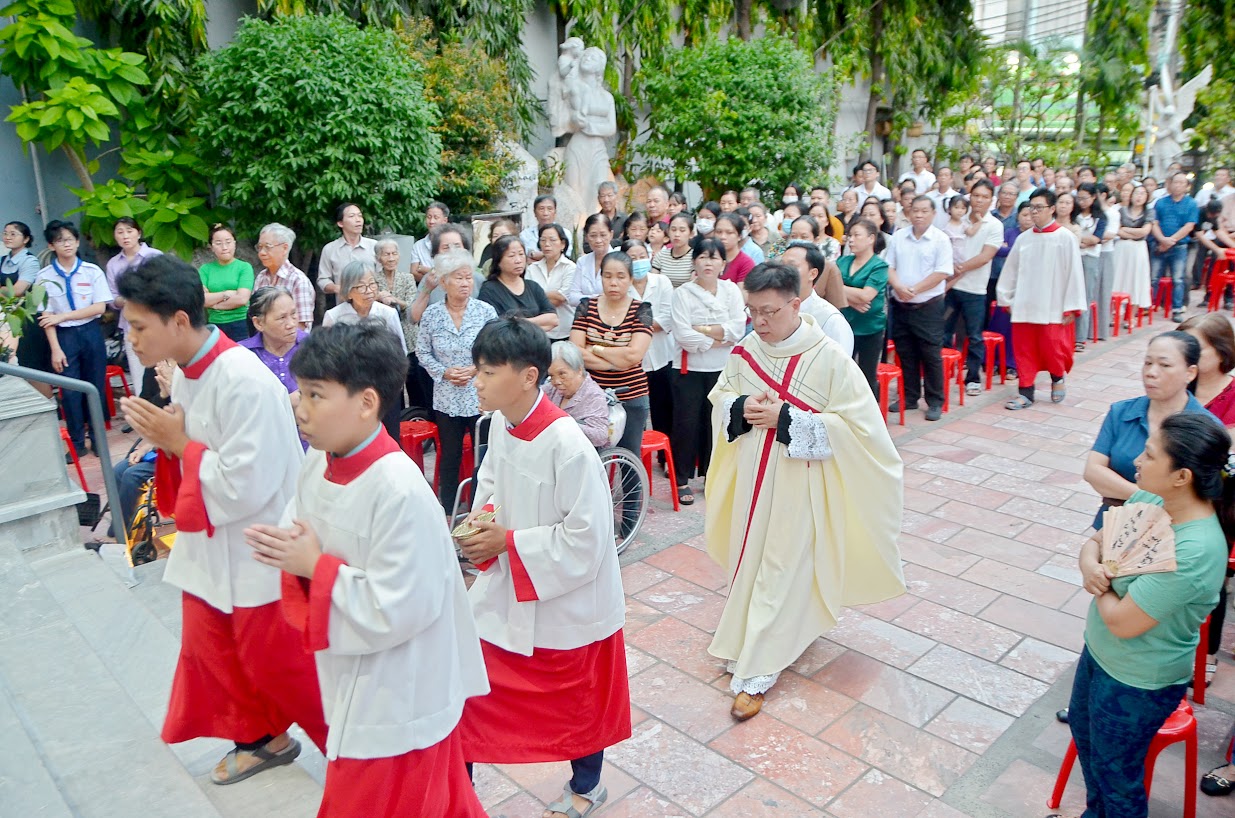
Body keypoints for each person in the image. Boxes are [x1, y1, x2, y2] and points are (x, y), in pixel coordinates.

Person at [246, 321, 489, 818]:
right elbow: (299, 527)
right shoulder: (318, 461)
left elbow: (402, 607)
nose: (300, 408)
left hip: (400, 690)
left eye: (316, 395)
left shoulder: (399, 490)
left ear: (366, 402)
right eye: (300, 393)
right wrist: (288, 550)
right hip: (352, 671)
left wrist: (313, 565)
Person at [116, 254, 326, 783]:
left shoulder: (243, 379)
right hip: (214, 545)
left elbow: (247, 486)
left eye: (139, 326)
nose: (131, 339)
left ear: (177, 321)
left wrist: (177, 443)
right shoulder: (189, 373)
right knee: (215, 650)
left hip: (258, 549)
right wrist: (171, 439)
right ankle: (262, 738)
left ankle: (368, 757)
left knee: (284, 668)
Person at [705, 262, 905, 719]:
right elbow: (720, 397)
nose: (759, 322)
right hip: (752, 477)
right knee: (751, 560)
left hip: (802, 482)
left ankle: (759, 669)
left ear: (796, 304)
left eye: (769, 312)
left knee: (783, 565)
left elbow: (862, 430)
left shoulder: (829, 358)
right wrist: (741, 406)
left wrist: (787, 419)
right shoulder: (745, 351)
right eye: (753, 311)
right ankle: (748, 639)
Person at [455, 317, 631, 818]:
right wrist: (480, 528)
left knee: (578, 707)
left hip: (566, 600)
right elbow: (490, 485)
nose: (477, 382)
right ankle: (459, 799)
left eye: (488, 372)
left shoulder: (568, 445)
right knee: (468, 693)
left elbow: (589, 540)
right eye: (477, 369)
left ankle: (587, 787)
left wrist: (509, 542)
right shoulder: (500, 423)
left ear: (529, 376)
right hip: (510, 586)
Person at [1066, 413, 1229, 816]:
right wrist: (1090, 567)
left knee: (1117, 778)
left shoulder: (1196, 549)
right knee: (1091, 752)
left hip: (1137, 681)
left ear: (1182, 476)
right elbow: (1096, 542)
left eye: (1150, 455)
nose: (1137, 461)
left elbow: (1123, 622)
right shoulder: (1153, 500)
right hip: (1099, 654)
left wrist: (1098, 581)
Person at [416, 250, 499, 514]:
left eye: (468, 277)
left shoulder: (485, 311)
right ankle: (449, 512)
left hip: (481, 395)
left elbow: (497, 349)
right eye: (458, 278)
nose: (465, 283)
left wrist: (476, 369)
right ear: (443, 282)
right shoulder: (432, 315)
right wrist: (444, 372)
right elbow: (422, 352)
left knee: (483, 454)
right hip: (447, 397)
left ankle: (481, 509)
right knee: (450, 455)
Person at [569, 250, 653, 501]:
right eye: (607, 276)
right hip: (591, 396)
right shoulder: (586, 306)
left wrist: (595, 349)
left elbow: (634, 356)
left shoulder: (641, 310)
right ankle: (593, 511)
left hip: (632, 395)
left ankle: (631, 517)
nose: (613, 283)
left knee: (630, 457)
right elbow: (575, 351)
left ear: (630, 279)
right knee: (589, 457)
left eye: (620, 277)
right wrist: (616, 358)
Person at [669, 236, 746, 506]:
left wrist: (702, 330)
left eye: (714, 257)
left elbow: (737, 328)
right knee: (686, 424)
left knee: (716, 424)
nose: (708, 263)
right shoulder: (682, 293)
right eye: (702, 257)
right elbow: (682, 334)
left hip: (722, 369)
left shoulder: (731, 291)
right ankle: (681, 479)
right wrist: (717, 338)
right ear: (694, 262)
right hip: (688, 370)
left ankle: (711, 476)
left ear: (723, 263)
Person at [997, 189, 1087, 410]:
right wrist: (1006, 297)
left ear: (1052, 209)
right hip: (1025, 303)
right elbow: (1011, 270)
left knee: (1052, 347)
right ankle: (1026, 392)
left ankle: (1057, 376)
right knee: (1024, 349)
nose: (1034, 212)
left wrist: (1071, 307)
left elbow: (1074, 273)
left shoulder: (1065, 238)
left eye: (1039, 207)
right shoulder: (1023, 239)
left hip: (1053, 304)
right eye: (1032, 207)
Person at [37, 220, 113, 456]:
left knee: (95, 386)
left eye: (70, 239)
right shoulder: (44, 277)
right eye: (60, 241)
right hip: (64, 336)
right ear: (51, 246)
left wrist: (63, 316)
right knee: (70, 391)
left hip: (90, 332)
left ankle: (98, 440)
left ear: (77, 242)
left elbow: (99, 307)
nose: (66, 244)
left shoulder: (92, 271)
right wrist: (55, 348)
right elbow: (46, 317)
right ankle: (77, 444)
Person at [323, 260, 407, 440]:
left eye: (372, 284)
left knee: (389, 438)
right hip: (351, 390)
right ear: (348, 291)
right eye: (361, 286)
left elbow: (400, 351)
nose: (369, 291)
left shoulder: (387, 313)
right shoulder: (334, 317)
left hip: (385, 386)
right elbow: (327, 357)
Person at [886, 196, 953, 420]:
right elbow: (889, 266)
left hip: (928, 306)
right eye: (915, 210)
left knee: (931, 354)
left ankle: (935, 401)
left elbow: (942, 272)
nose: (919, 215)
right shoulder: (899, 236)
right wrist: (898, 286)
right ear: (909, 212)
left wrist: (914, 289)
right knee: (906, 353)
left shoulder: (941, 239)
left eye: (924, 211)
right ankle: (909, 397)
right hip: (901, 304)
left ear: (933, 214)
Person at [945, 180, 1003, 396]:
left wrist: (958, 269)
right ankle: (943, 374)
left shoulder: (994, 225)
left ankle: (972, 378)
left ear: (991, 200)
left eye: (984, 197)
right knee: (944, 331)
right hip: (951, 288)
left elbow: (985, 256)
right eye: (976, 195)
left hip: (975, 290)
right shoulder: (957, 218)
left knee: (974, 335)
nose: (979, 200)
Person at [625, 239, 675, 444]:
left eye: (642, 256)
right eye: (632, 258)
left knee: (664, 412)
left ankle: (664, 456)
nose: (638, 262)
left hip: (663, 358)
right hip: (634, 362)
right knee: (637, 417)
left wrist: (635, 325)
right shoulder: (622, 287)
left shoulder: (662, 282)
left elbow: (668, 319)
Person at [372, 237, 429, 413]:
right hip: (384, 337)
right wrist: (378, 297)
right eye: (386, 254)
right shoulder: (373, 279)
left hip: (408, 334)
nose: (391, 258)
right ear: (378, 258)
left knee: (414, 382)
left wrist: (394, 300)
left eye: (394, 253)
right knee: (392, 384)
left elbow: (411, 304)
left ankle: (418, 417)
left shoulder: (407, 278)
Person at [106, 217, 163, 384]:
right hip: (131, 326)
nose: (125, 236)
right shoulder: (113, 264)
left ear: (138, 233)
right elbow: (112, 297)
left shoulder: (155, 256)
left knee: (164, 371)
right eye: (120, 232)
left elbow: (166, 288)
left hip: (159, 322)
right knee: (139, 376)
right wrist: (127, 300)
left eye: (129, 231)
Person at [837, 219, 889, 395]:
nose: (851, 240)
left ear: (871, 238)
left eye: (856, 235)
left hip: (869, 327)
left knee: (867, 375)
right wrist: (852, 301)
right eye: (849, 235)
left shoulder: (879, 266)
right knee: (842, 373)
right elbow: (827, 289)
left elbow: (866, 296)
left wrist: (839, 289)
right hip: (844, 325)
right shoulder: (843, 261)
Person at [239, 287, 309, 412]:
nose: (291, 324)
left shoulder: (314, 347)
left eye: (293, 314)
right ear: (258, 323)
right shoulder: (243, 355)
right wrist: (286, 402)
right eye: (282, 318)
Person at [2, 220, 51, 394]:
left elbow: (17, 290)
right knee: (17, 363)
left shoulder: (30, 261)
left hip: (26, 318)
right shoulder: (3, 260)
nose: (7, 237)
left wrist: (7, 291)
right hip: (7, 319)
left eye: (13, 234)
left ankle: (49, 403)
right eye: (5, 233)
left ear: (26, 239)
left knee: (34, 366)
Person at [780, 240, 852, 354]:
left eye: (792, 266)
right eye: (781, 265)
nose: (782, 272)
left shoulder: (830, 320)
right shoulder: (772, 309)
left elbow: (841, 362)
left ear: (812, 274)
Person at [479, 236, 558, 333]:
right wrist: (536, 326)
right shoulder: (489, 290)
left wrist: (519, 322)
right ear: (498, 261)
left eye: (521, 254)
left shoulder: (533, 286)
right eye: (511, 256)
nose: (518, 260)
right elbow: (495, 326)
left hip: (536, 341)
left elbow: (553, 320)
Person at [1150, 172, 1199, 322]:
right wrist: (1162, 240)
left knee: (1178, 279)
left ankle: (1177, 309)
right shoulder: (1160, 202)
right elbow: (1154, 223)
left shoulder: (1191, 204)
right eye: (1175, 182)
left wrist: (1170, 241)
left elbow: (1189, 226)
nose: (1177, 185)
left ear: (1187, 186)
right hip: (1159, 244)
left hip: (1179, 247)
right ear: (1170, 184)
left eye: (1181, 183)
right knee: (1153, 278)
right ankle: (1148, 306)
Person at [545, 340, 611, 448]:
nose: (556, 381)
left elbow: (600, 436)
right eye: (552, 376)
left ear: (579, 370)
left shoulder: (594, 396)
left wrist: (565, 423)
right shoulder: (551, 388)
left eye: (562, 374)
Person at [199, 224, 254, 342]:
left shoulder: (244, 267)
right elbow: (202, 299)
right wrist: (226, 294)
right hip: (215, 324)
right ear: (211, 247)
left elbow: (242, 299)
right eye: (218, 243)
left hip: (241, 323)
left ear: (235, 243)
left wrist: (215, 305)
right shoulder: (205, 270)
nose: (224, 247)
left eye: (228, 242)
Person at [254, 223, 314, 330]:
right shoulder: (261, 277)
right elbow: (255, 314)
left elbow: (301, 326)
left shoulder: (298, 280)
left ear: (285, 248)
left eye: (267, 247)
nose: (262, 253)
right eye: (260, 247)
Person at [525, 223, 577, 342]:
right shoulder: (532, 268)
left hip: (565, 330)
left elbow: (560, 299)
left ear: (562, 244)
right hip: (540, 331)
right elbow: (528, 298)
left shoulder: (571, 268)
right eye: (543, 240)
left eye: (552, 240)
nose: (547, 244)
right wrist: (549, 295)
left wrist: (537, 295)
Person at [316, 203, 376, 301]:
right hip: (344, 305)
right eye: (352, 216)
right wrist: (338, 288)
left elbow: (383, 276)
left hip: (372, 304)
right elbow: (323, 280)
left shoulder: (374, 246)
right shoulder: (330, 249)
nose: (358, 220)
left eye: (360, 216)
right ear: (340, 223)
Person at [1074, 183, 1109, 346]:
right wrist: (1081, 241)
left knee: (1085, 296)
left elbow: (1096, 239)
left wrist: (1078, 239)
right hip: (1074, 256)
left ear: (1093, 197)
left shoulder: (1100, 217)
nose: (1081, 201)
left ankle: (1080, 337)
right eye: (1079, 198)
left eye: (1085, 198)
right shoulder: (1074, 215)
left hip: (1090, 258)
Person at [1112, 185, 1154, 314]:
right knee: (1118, 276)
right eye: (1136, 193)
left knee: (1137, 279)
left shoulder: (1149, 212)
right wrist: (1134, 233)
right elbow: (1117, 230)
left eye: (1142, 193)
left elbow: (1145, 231)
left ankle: (1132, 315)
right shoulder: (1121, 211)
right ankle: (1117, 311)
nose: (1139, 196)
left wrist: (1126, 230)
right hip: (1122, 248)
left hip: (1138, 248)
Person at [568, 213, 615, 307]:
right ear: (586, 237)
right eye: (593, 236)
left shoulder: (619, 260)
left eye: (603, 235)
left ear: (611, 234)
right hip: (586, 314)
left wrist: (585, 299)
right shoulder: (582, 262)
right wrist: (596, 299)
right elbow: (572, 298)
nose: (598, 240)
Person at [520, 194, 574, 262]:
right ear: (534, 212)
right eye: (541, 209)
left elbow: (565, 256)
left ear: (555, 212)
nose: (545, 213)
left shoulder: (565, 233)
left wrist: (535, 255)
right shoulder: (525, 235)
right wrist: (553, 254)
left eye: (549, 209)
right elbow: (525, 259)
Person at [652, 212, 697, 289]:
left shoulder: (695, 257)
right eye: (673, 230)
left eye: (682, 230)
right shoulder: (661, 256)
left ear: (691, 234)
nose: (677, 234)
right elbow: (653, 283)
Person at [410, 202, 451, 281]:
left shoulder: (452, 243)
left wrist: (425, 270)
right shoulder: (418, 245)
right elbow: (414, 273)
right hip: (425, 287)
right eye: (429, 217)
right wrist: (438, 278)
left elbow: (451, 273)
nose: (431, 221)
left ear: (445, 220)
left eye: (436, 217)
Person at [714, 213, 755, 285]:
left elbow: (742, 290)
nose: (723, 237)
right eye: (719, 232)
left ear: (739, 236)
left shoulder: (746, 263)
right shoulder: (706, 258)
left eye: (729, 232)